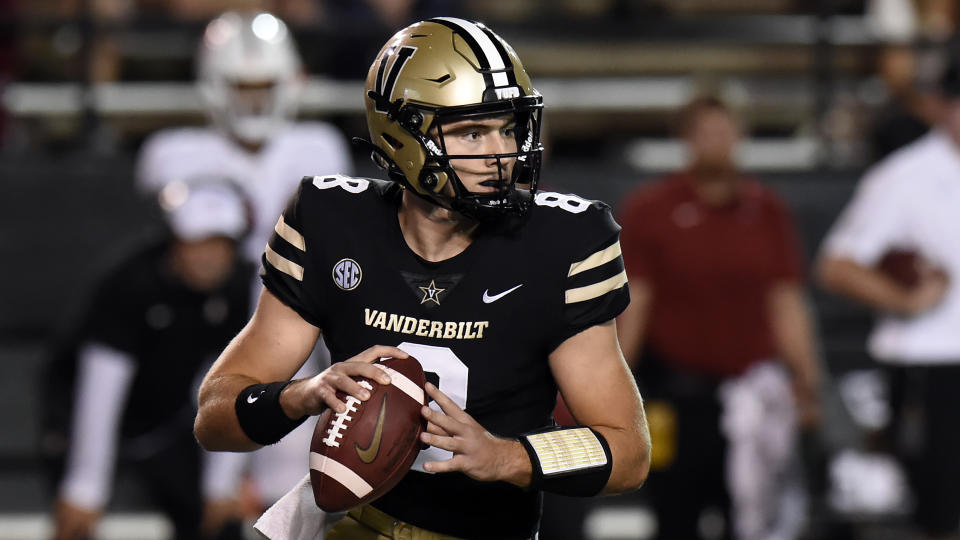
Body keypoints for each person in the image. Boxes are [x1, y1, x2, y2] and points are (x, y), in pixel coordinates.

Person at [193, 17, 651, 540]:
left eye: (508, 128)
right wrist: (302, 394)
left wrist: (506, 455)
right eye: (472, 132)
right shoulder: (332, 223)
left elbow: (628, 452)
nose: (499, 153)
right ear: (402, 134)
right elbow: (214, 417)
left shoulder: (559, 243)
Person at [135, 10, 354, 513]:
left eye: (264, 86)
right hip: (204, 329)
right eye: (241, 86)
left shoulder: (317, 146)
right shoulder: (173, 153)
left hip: (297, 331)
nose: (253, 100)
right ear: (214, 86)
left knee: (296, 479)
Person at [616, 97, 820, 540]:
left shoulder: (767, 210)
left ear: (740, 137)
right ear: (685, 140)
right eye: (706, 133)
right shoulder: (651, 209)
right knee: (675, 512)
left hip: (754, 394)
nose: (717, 143)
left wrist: (806, 379)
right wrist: (616, 384)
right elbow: (636, 301)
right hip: (677, 392)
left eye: (725, 132)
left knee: (752, 514)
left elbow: (785, 299)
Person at [52, 182, 254, 540]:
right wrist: (85, 485)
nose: (209, 256)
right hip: (78, 416)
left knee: (218, 524)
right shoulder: (129, 284)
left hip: (170, 422)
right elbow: (99, 391)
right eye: (197, 242)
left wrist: (221, 484)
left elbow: (239, 379)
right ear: (173, 242)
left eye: (220, 244)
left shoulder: (243, 287)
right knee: (75, 520)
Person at [816, 47, 960, 540]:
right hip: (934, 364)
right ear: (941, 105)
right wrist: (905, 301)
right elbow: (837, 264)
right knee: (940, 512)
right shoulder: (903, 178)